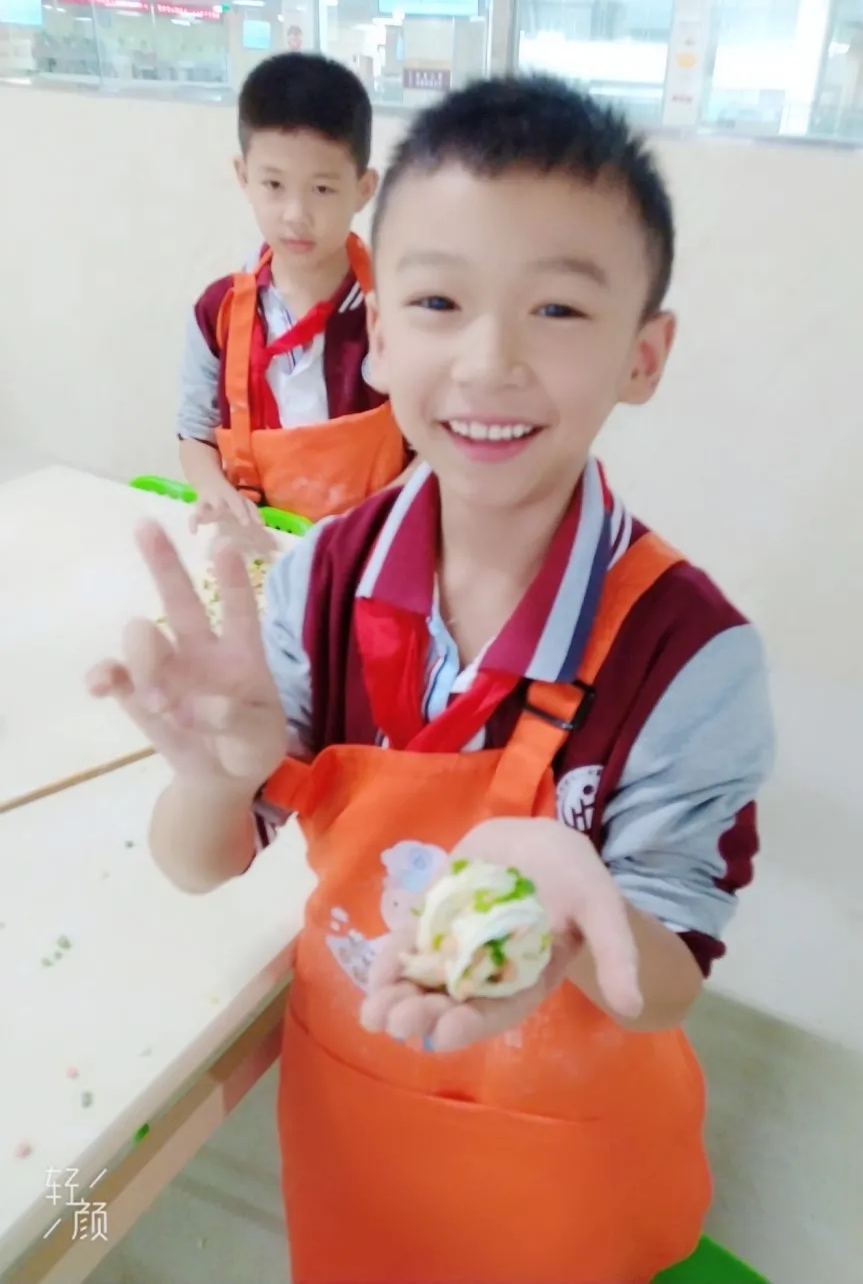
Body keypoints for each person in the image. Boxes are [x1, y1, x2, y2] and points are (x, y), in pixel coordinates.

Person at [89, 75, 775, 1284]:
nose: (490, 360)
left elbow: (664, 986)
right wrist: (216, 777)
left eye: (557, 307)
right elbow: (197, 863)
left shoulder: (688, 651)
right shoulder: (320, 584)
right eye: (440, 301)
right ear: (382, 335)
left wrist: (578, 915)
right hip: (355, 1121)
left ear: (643, 353)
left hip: (571, 1164)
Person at [177, 51, 409, 539]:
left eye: (322, 189)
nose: (295, 215)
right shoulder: (217, 312)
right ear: (244, 176)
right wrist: (213, 489)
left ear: (364, 188)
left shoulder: (400, 309)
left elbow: (438, 445)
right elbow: (195, 432)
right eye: (274, 185)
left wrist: (364, 528)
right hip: (264, 546)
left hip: (374, 545)